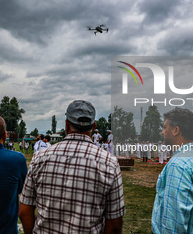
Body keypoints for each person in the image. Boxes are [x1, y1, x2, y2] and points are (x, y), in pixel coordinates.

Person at [19, 100, 125, 234]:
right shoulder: (109, 162)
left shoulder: (40, 158)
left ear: (67, 125)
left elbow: (24, 212)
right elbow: (115, 224)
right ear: (93, 126)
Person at [151, 108, 193, 234]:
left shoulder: (179, 165)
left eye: (165, 127)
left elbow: (173, 225)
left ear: (175, 130)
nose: (162, 132)